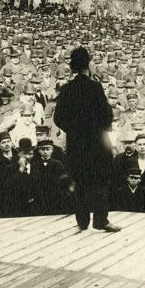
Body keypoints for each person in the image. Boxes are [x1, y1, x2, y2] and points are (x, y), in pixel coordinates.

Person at [53, 47, 121, 232]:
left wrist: (75, 131)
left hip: (76, 145)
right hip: (96, 144)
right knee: (99, 183)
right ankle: (101, 220)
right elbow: (107, 116)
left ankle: (82, 222)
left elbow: (58, 118)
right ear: (88, 64)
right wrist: (95, 130)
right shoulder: (95, 87)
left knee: (81, 182)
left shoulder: (67, 89)